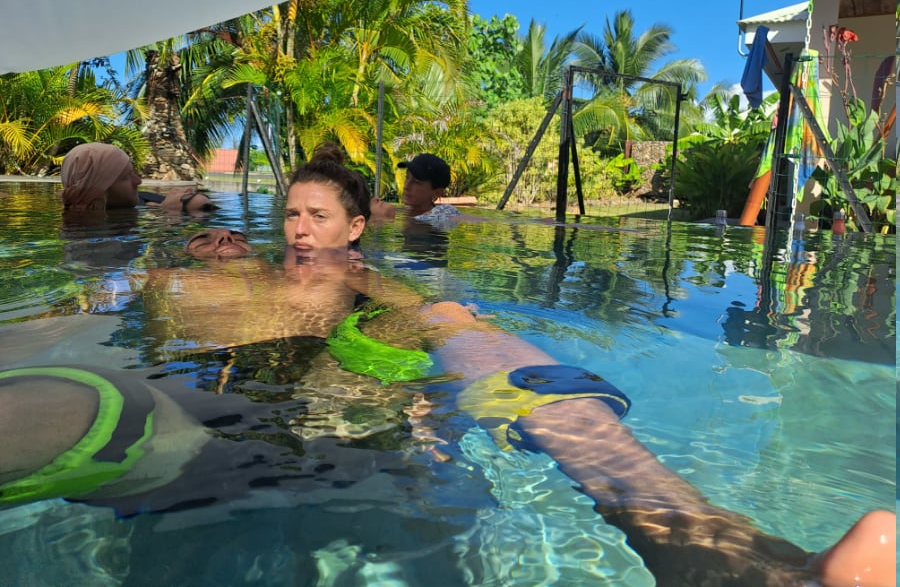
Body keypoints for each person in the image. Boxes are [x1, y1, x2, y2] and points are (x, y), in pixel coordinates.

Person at [7, 149, 894, 586]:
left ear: (357, 228)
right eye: (291, 215)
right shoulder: (196, 274)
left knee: (494, 355)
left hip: (359, 449)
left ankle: (707, 548)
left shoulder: (375, 287)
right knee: (85, 403)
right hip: (204, 441)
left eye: (320, 216)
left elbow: (463, 335)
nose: (300, 230)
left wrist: (451, 384)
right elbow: (68, 315)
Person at [59, 143, 217, 215]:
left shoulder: (143, 199)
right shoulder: (85, 233)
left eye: (133, 172)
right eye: (125, 177)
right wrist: (169, 210)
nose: (138, 181)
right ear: (99, 191)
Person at [370, 153, 462, 227]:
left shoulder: (439, 216)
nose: (406, 186)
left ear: (436, 193)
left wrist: (387, 218)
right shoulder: (403, 212)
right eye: (407, 177)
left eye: (416, 182)